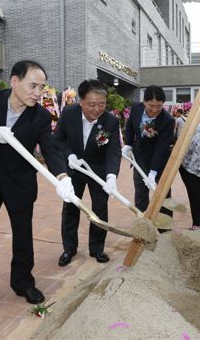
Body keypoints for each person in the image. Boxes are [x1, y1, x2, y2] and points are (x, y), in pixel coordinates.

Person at [0, 60, 74, 325]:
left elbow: (50, 149)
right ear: (15, 81)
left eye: (42, 87)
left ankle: (23, 282)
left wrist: (62, 176)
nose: (38, 92)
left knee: (23, 235)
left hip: (18, 184)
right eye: (33, 85)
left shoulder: (41, 116)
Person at [54, 79, 121, 266]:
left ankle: (97, 248)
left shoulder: (111, 121)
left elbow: (113, 150)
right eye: (92, 104)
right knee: (71, 208)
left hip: (97, 170)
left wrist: (111, 176)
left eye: (102, 104)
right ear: (81, 101)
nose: (97, 109)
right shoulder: (69, 113)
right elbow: (58, 140)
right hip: (73, 169)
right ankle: (69, 248)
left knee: (99, 209)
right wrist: (69, 155)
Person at [123, 86, 175, 221]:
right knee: (140, 193)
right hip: (140, 157)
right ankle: (142, 224)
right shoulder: (136, 108)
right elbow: (129, 126)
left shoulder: (167, 120)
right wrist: (128, 144)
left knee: (163, 194)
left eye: (159, 106)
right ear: (144, 102)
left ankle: (165, 228)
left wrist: (153, 172)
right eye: (151, 105)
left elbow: (162, 148)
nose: (155, 109)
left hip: (159, 161)